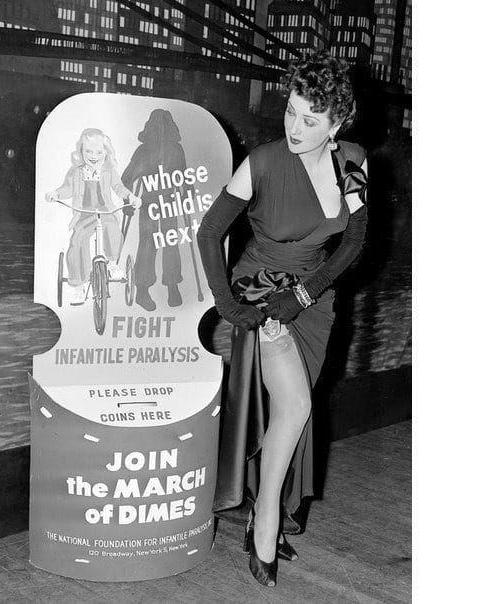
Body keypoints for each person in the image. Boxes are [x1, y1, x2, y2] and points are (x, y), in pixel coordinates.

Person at [197, 50, 368, 588]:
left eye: (310, 120)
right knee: (294, 406)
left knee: (291, 414)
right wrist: (228, 305)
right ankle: (265, 518)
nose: (294, 127)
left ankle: (261, 508)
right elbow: (209, 232)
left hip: (313, 300)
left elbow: (354, 242)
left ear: (337, 124)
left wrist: (308, 293)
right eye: (291, 111)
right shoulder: (263, 163)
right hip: (264, 291)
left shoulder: (354, 162)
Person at [46, 128, 141, 305]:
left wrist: (131, 197)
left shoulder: (108, 171)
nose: (93, 156)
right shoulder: (76, 172)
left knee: (113, 229)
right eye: (88, 151)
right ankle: (78, 286)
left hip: (105, 210)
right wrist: (56, 194)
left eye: (98, 152)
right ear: (81, 151)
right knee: (77, 241)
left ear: (106, 153)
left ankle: (112, 264)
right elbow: (67, 188)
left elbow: (119, 188)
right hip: (84, 212)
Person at [121, 109, 186, 311]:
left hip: (170, 203)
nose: (161, 132)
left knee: (170, 241)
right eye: (157, 128)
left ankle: (172, 284)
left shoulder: (176, 150)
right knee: (148, 243)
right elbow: (127, 178)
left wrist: (186, 194)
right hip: (149, 202)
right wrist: (127, 202)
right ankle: (142, 289)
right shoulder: (144, 151)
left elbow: (184, 176)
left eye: (164, 127)